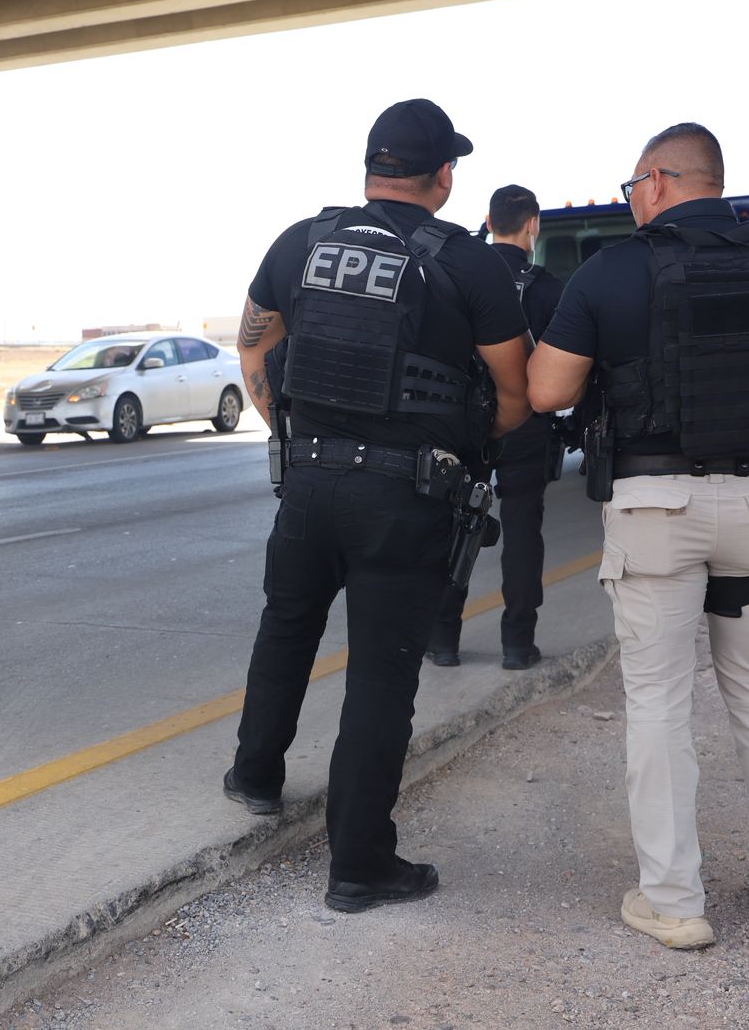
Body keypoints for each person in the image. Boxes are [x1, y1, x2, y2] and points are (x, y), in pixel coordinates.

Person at [528, 123, 749, 948]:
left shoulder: (611, 270)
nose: (633, 200)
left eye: (633, 187)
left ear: (660, 181)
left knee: (659, 704)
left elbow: (546, 391)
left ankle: (674, 904)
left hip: (655, 510)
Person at [225, 98, 532, 913]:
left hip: (308, 482)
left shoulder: (301, 241)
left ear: (371, 167)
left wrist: (294, 433)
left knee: (286, 625)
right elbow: (517, 394)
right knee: (380, 677)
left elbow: (254, 344)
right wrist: (456, 444)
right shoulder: (469, 264)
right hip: (406, 496)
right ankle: (359, 865)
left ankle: (255, 776)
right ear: (444, 176)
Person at [427, 185, 565, 669]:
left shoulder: (460, 274)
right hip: (526, 422)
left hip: (467, 423)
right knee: (524, 532)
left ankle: (443, 639)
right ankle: (517, 644)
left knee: (458, 525)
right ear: (533, 225)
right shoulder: (548, 288)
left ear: (488, 222)